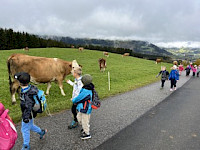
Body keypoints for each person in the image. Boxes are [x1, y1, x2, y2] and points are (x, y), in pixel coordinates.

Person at [14, 72, 47, 150]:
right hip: (32, 113)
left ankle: (26, 145)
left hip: (28, 114)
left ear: (19, 83)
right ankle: (42, 132)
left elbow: (28, 107)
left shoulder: (27, 95)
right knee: (30, 125)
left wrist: (25, 117)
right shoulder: (30, 88)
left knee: (24, 129)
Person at [72, 74, 94, 140]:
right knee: (79, 118)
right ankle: (85, 127)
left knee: (84, 121)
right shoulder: (87, 88)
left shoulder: (86, 91)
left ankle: (87, 133)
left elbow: (79, 98)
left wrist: (73, 100)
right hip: (82, 107)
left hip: (85, 108)